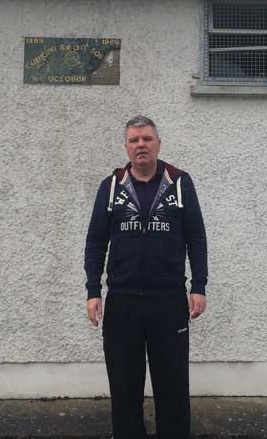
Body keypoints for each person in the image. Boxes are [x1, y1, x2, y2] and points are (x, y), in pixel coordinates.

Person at [84, 115, 208, 439]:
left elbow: (196, 237)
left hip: (168, 303)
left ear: (158, 144)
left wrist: (199, 286)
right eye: (134, 140)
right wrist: (93, 290)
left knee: (173, 387)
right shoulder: (110, 188)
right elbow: (96, 241)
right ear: (126, 147)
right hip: (122, 303)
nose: (141, 145)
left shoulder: (181, 184)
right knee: (124, 388)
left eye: (147, 139)